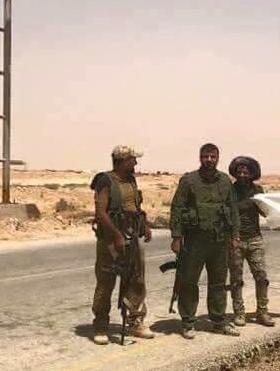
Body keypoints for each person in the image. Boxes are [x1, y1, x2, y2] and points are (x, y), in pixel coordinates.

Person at [169, 143, 241, 339]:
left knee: (218, 283)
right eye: (205, 156)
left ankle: (218, 321)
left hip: (219, 239)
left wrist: (235, 235)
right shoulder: (189, 181)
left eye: (212, 156)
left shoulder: (226, 181)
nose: (209, 160)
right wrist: (176, 237)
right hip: (194, 240)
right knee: (189, 282)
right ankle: (188, 323)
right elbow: (177, 208)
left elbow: (233, 209)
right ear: (200, 157)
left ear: (218, 158)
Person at [90, 145, 154, 345]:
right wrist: (117, 236)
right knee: (106, 281)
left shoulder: (131, 180)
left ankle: (134, 321)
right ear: (121, 161)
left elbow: (134, 207)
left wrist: (144, 226)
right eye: (132, 159)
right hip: (111, 238)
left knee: (136, 280)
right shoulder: (105, 180)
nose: (135, 163)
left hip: (132, 236)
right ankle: (101, 325)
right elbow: (101, 213)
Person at [228, 156, 275, 327]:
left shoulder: (258, 191)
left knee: (261, 277)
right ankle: (239, 313)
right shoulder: (229, 191)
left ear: (252, 174)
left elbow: (265, 213)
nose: (242, 174)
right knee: (236, 279)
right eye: (239, 171)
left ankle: (262, 312)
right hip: (235, 241)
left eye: (246, 172)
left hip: (255, 239)